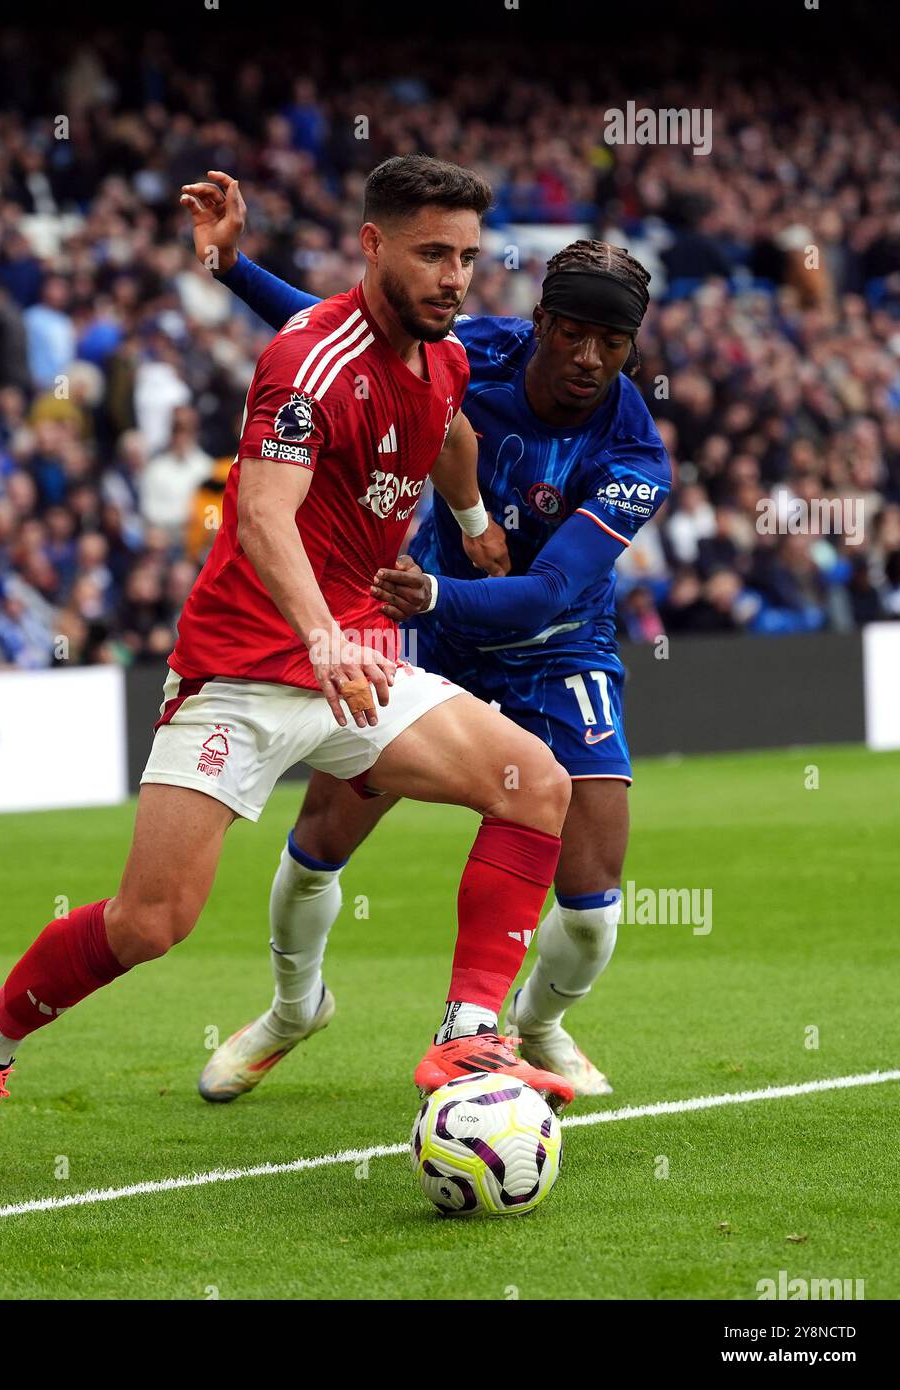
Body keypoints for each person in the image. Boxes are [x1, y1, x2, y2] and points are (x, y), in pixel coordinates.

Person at [0, 156, 575, 1181]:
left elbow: (450, 432)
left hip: (356, 657)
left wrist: (469, 520)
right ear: (372, 246)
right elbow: (266, 514)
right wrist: (318, 630)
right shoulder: (306, 359)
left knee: (533, 784)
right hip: (245, 662)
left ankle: (466, 1030)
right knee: (153, 921)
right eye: (431, 254)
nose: (454, 276)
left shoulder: (443, 354)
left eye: (464, 255)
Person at [182, 171, 671, 1102]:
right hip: (434, 643)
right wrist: (231, 267)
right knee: (321, 834)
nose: (587, 357)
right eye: (573, 333)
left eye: (612, 343)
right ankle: (292, 1008)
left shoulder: (634, 452)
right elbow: (330, 329)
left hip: (557, 651)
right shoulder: (468, 348)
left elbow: (548, 592)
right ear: (540, 322)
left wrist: (431, 595)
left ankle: (535, 1024)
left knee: (596, 906)